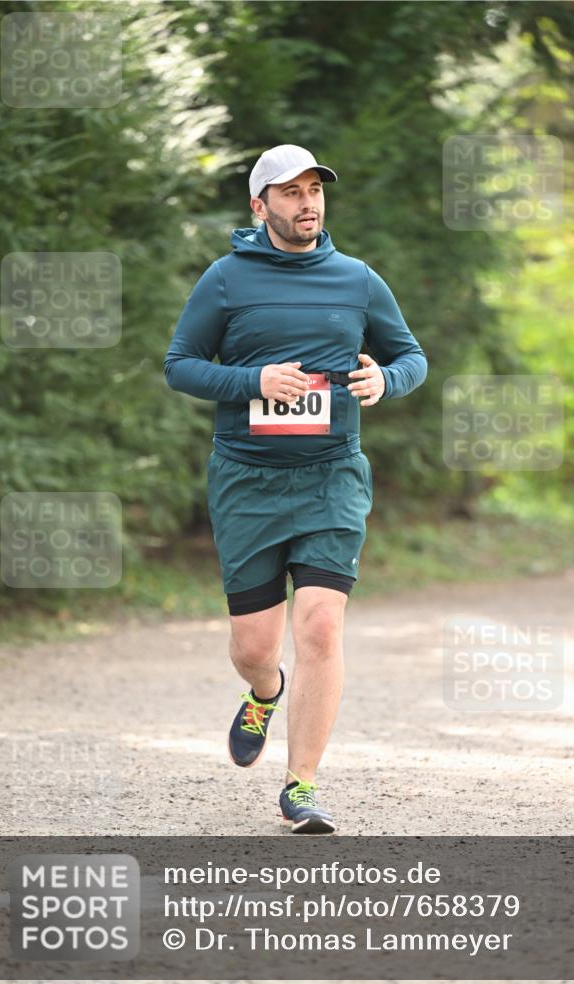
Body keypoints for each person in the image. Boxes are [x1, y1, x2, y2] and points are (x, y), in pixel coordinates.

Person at [164, 144, 427, 833]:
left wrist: (386, 379)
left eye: (314, 190)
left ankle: (300, 786)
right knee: (255, 647)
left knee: (320, 625)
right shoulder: (226, 279)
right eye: (290, 192)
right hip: (246, 481)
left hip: (331, 477)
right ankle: (264, 691)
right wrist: (253, 380)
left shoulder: (356, 279)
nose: (307, 203)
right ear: (260, 206)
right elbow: (180, 365)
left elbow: (411, 356)